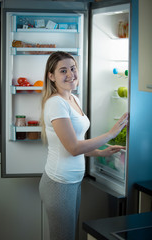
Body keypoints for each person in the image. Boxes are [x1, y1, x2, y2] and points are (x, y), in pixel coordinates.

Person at [39, 51, 128, 240]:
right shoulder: (56, 104)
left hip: (73, 182)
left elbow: (78, 143)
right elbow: (74, 148)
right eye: (63, 71)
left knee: (70, 235)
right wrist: (111, 134)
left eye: (73, 68)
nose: (70, 74)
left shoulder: (73, 99)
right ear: (51, 76)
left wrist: (100, 153)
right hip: (59, 184)